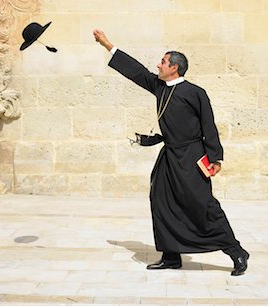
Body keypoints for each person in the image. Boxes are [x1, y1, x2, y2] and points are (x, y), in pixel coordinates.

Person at [93, 29, 249, 276]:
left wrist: (215, 158)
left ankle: (236, 251)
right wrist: (107, 45)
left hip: (192, 157)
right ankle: (171, 255)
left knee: (203, 205)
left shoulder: (195, 93)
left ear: (174, 67)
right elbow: (136, 71)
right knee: (161, 201)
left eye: (163, 62)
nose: (158, 64)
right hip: (169, 156)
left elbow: (209, 125)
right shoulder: (159, 86)